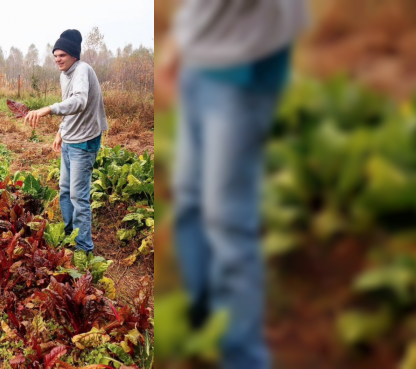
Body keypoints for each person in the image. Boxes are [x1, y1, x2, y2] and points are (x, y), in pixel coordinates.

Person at [156, 1, 309, 368]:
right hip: (200, 62)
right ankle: (207, 322)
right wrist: (180, 41)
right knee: (190, 202)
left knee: (228, 220)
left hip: (245, 66)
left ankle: (242, 355)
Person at [24, 29, 108, 255]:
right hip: (70, 138)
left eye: (62, 55)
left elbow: (79, 101)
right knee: (64, 190)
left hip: (85, 140)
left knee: (78, 196)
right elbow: (68, 106)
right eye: (55, 55)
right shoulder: (65, 75)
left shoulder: (82, 70)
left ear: (74, 55)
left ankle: (84, 249)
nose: (57, 59)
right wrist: (61, 130)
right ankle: (71, 234)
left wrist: (48, 110)